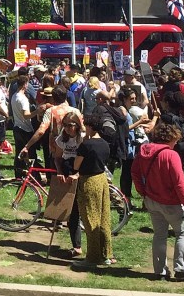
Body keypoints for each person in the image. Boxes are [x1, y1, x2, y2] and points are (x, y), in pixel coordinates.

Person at [131, 122, 184, 282]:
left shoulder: (143, 152)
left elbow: (134, 172)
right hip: (172, 202)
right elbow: (179, 181)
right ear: (170, 138)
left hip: (152, 200)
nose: (176, 143)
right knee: (182, 233)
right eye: (175, 140)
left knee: (159, 235)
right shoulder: (171, 155)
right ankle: (181, 270)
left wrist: (143, 193)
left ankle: (159, 271)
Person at [73, 114, 113, 266]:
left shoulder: (86, 145)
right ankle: (106, 254)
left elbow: (76, 165)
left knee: (90, 218)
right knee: (104, 217)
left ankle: (92, 256)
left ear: (89, 127)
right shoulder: (104, 144)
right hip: (102, 179)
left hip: (89, 181)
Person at [55, 111, 85, 258]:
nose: (67, 128)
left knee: (83, 209)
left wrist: (78, 174)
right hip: (67, 170)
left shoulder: (83, 138)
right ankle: (77, 245)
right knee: (72, 212)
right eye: (65, 125)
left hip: (81, 171)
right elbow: (58, 157)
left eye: (70, 125)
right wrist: (59, 172)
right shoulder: (62, 139)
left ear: (77, 125)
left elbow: (87, 159)